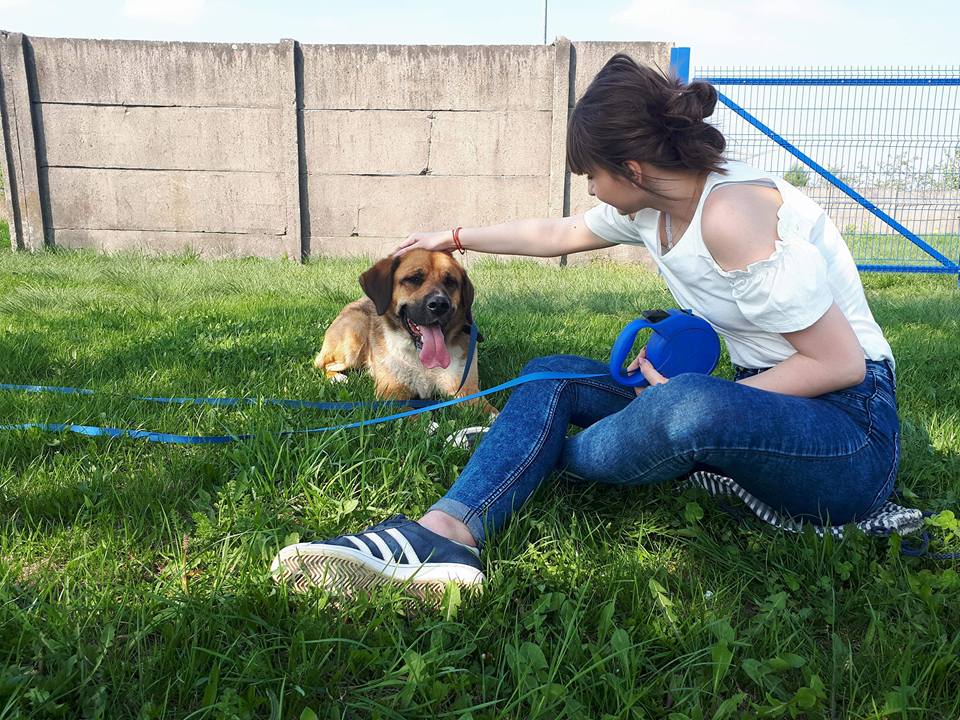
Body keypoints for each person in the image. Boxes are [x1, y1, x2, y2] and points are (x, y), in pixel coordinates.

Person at [270, 54, 899, 601]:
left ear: (632, 168)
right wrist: (452, 236)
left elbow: (839, 364)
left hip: (850, 435)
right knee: (548, 374)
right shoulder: (657, 208)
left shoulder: (733, 213)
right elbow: (558, 233)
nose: (591, 190)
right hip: (764, 403)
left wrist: (692, 400)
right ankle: (446, 533)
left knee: (684, 404)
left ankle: (524, 450)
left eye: (592, 175)